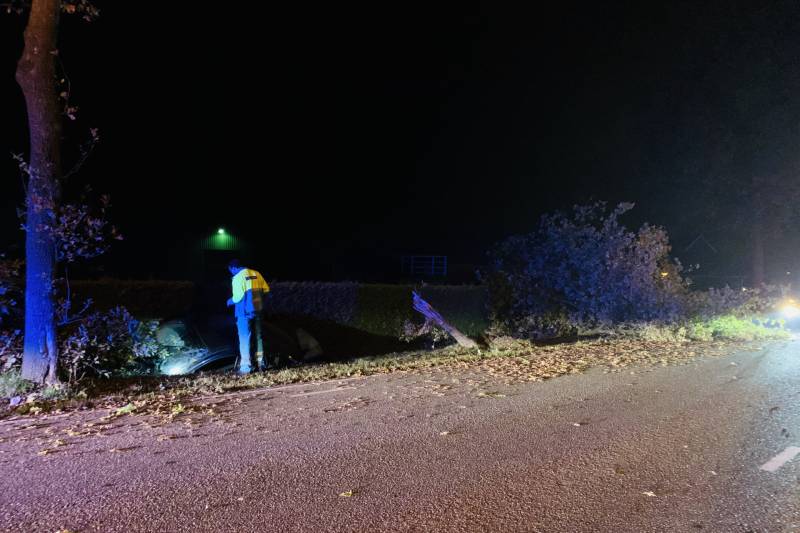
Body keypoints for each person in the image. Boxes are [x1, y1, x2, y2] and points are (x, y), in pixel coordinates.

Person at [226, 259, 271, 373]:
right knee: (259, 337)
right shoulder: (257, 273)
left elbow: (237, 298)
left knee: (244, 338)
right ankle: (261, 363)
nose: (231, 273)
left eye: (230, 271)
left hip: (244, 313)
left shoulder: (237, 278)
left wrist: (229, 301)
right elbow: (266, 290)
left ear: (233, 268)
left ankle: (246, 367)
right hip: (258, 311)